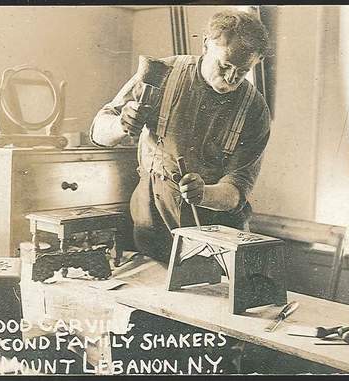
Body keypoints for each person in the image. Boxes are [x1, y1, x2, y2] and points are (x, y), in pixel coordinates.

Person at [91, 10, 271, 264]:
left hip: (215, 234)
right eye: (225, 65)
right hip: (151, 221)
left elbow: (236, 189)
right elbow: (99, 131)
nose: (231, 78)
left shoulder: (254, 110)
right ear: (205, 44)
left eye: (242, 71)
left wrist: (204, 194)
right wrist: (120, 124)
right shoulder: (161, 73)